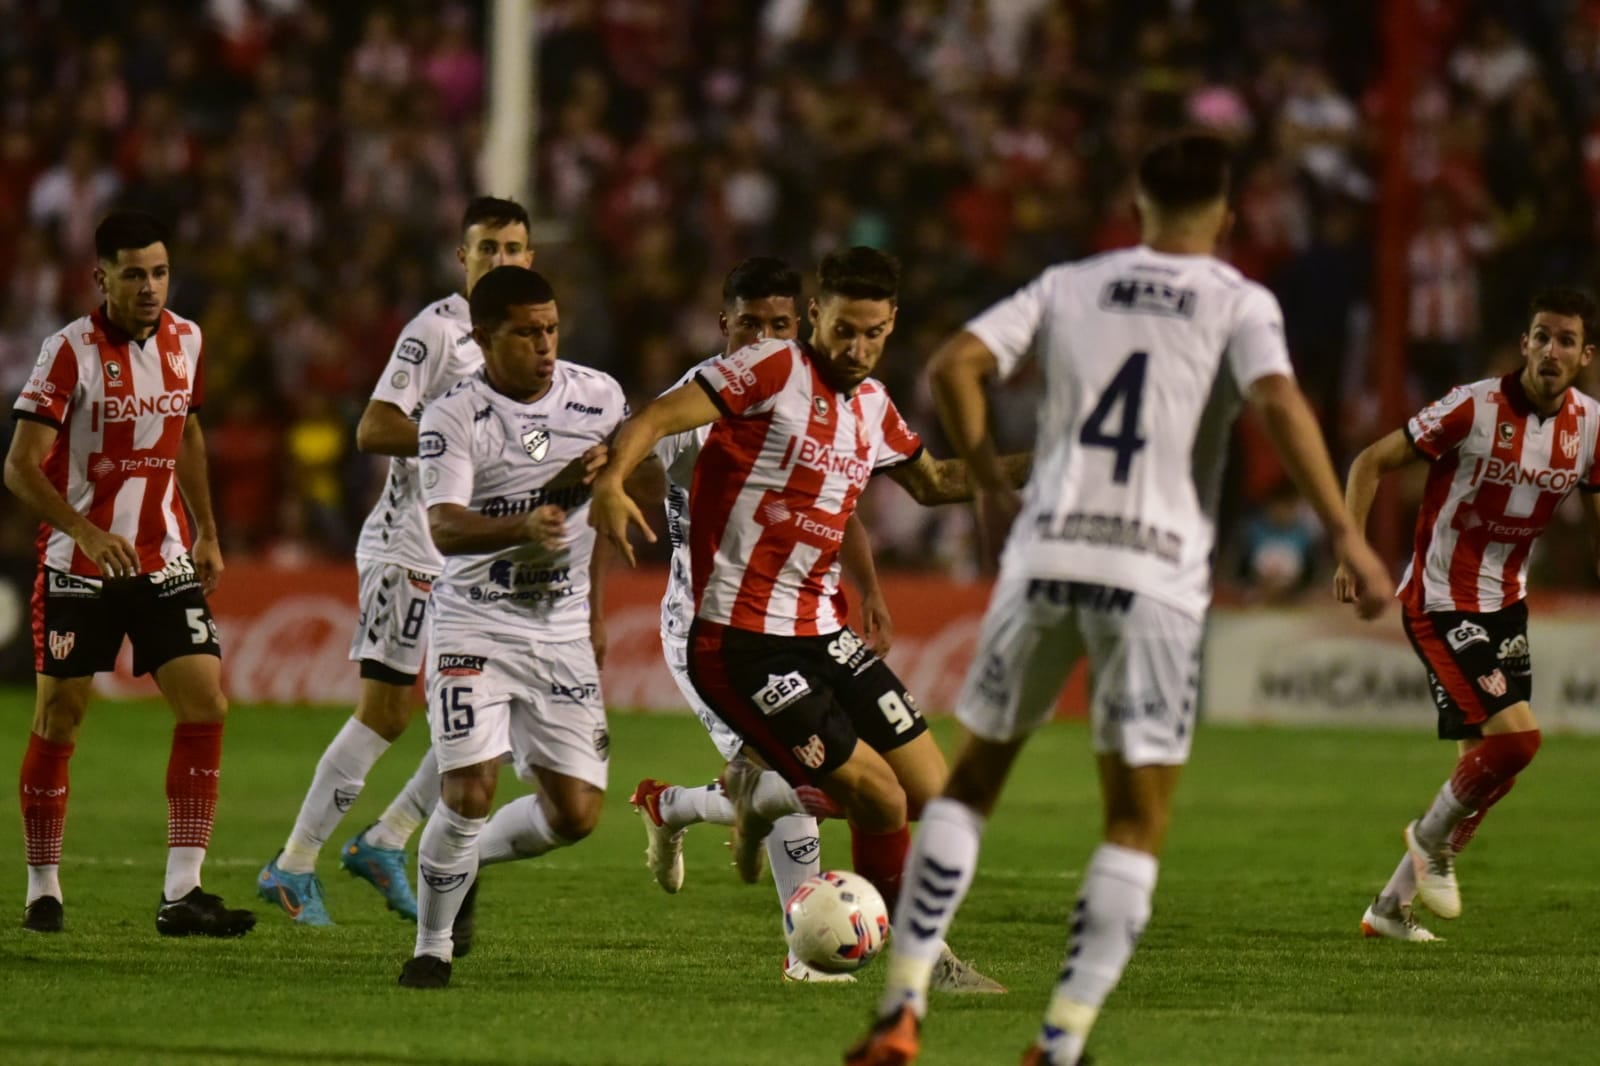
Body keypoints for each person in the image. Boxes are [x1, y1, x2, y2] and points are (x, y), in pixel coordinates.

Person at [846, 134, 1393, 1066]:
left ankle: (901, 1010)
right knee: (1135, 817)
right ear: (1224, 218)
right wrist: (1347, 534)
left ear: (1136, 206)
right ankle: (1059, 1041)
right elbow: (1280, 405)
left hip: (1047, 552)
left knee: (971, 785)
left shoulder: (1070, 283)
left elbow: (951, 367)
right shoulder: (1238, 299)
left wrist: (985, 477)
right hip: (1155, 575)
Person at [592, 247, 1027, 993]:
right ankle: (920, 959)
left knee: (933, 794)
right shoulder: (766, 372)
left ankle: (739, 802)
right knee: (879, 796)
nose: (856, 349)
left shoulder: (875, 405)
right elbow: (660, 414)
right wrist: (607, 484)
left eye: (873, 334)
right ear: (816, 315)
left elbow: (937, 483)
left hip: (821, 632)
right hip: (740, 641)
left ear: (891, 327)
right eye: (843, 330)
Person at [258, 197, 533, 926]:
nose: (501, 261)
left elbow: (526, 436)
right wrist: (457, 443)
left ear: (531, 259)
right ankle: (290, 867)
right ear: (463, 259)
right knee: (385, 712)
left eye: (514, 249)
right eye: (488, 249)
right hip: (409, 547)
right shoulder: (438, 331)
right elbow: (374, 426)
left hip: (471, 560)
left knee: (488, 715)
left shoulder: (529, 339)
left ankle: (385, 840)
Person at [626, 255, 891, 983]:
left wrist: (866, 586)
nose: (765, 337)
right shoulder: (697, 401)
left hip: (795, 622)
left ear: (799, 323)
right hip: (707, 625)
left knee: (829, 777)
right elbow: (637, 455)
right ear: (725, 325)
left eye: (779, 324)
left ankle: (673, 806)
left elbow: (847, 502)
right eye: (751, 324)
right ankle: (810, 956)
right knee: (800, 773)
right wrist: (618, 476)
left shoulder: (808, 391)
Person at [6, 210, 255, 937]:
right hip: (79, 564)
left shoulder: (189, 339)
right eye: (134, 273)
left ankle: (183, 892)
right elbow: (19, 467)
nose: (150, 287)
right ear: (101, 277)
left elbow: (188, 433)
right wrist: (83, 528)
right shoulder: (67, 352)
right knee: (60, 716)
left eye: (159, 272)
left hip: (163, 557)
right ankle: (42, 886)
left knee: (206, 704)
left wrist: (207, 529)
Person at [1342, 288, 1599, 943]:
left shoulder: (1591, 426)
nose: (1551, 350)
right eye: (1541, 336)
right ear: (1524, 344)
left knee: (1490, 771)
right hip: (1439, 601)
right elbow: (1371, 461)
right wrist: (1351, 548)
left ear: (1585, 357)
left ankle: (1389, 909)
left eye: (1566, 340)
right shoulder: (1473, 406)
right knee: (1519, 742)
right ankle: (1431, 841)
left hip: (1507, 606)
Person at [397, 265, 629, 988]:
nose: (545, 344)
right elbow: (445, 527)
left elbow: (621, 492)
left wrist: (616, 474)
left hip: (557, 629)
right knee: (468, 790)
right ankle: (431, 949)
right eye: (526, 333)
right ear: (482, 338)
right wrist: (524, 521)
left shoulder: (599, 397)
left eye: (551, 328)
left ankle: (465, 862)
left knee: (577, 814)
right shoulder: (453, 415)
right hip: (475, 623)